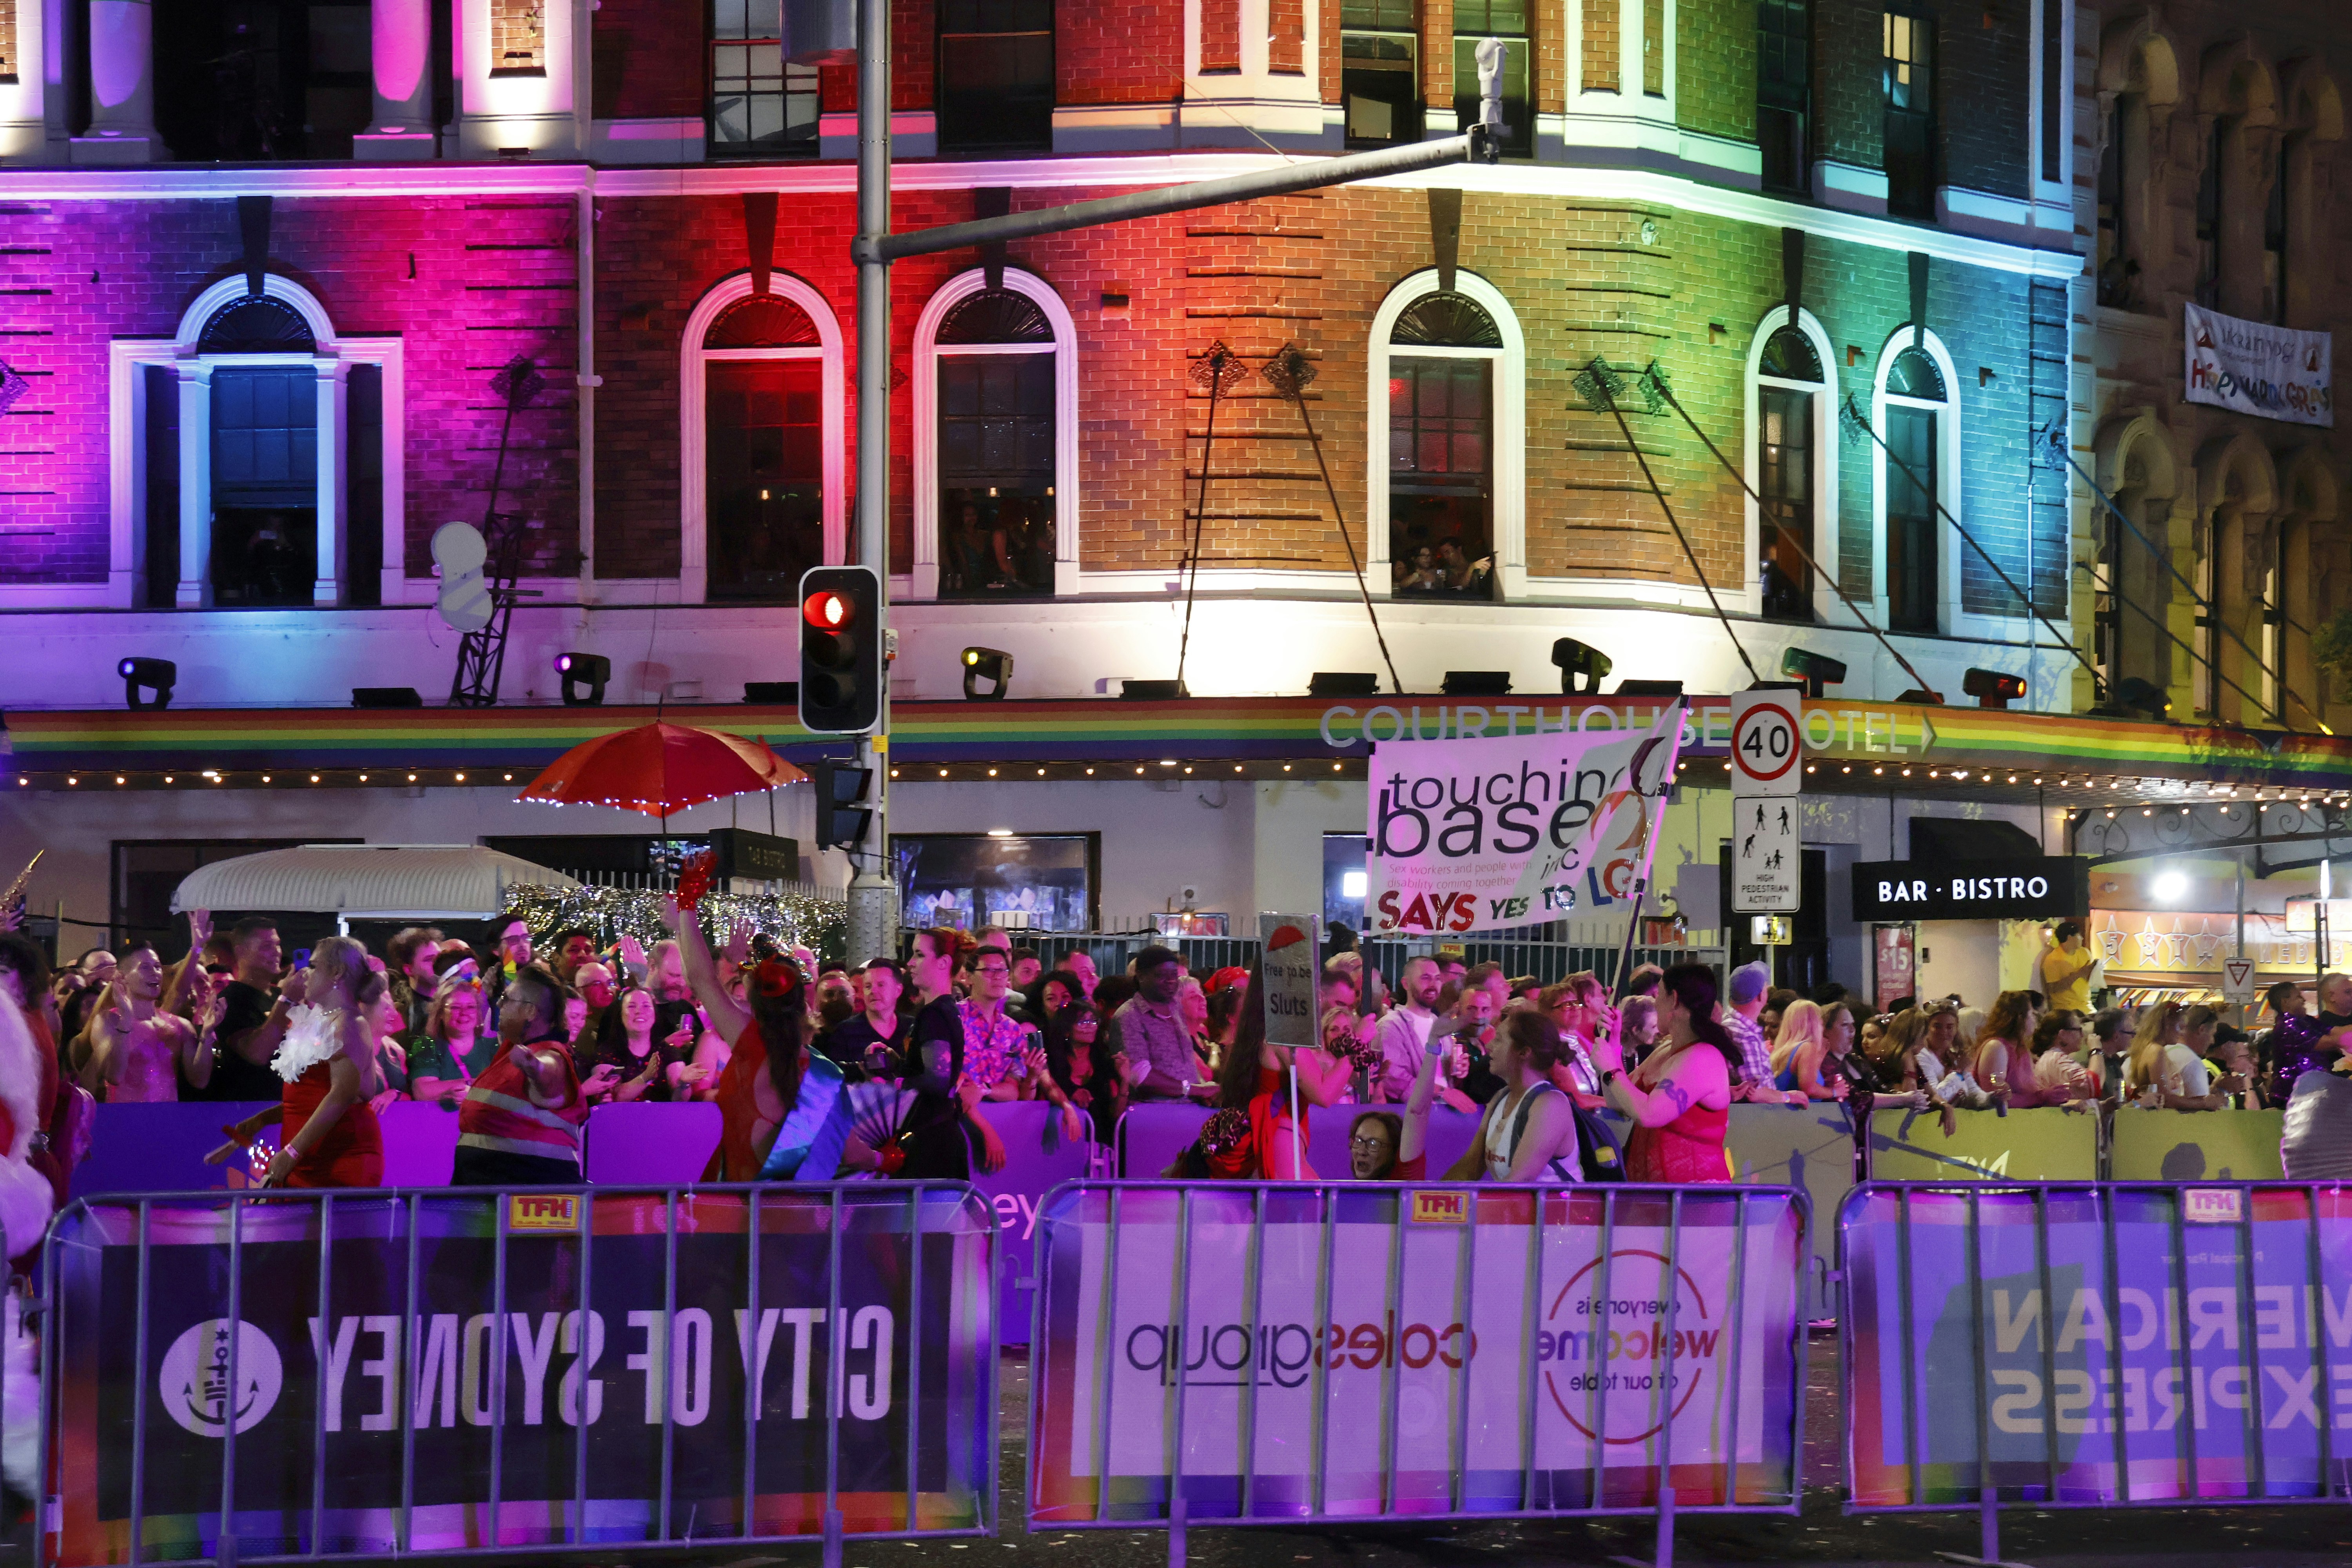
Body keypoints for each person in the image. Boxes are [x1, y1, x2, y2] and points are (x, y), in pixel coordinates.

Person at [452, 963, 614, 1185]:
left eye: (507, 999)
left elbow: (551, 1075)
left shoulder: (552, 1053)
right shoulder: (510, 1050)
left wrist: (535, 1066)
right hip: (488, 1194)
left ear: (530, 1011)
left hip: (531, 1205)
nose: (500, 1004)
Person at [1200, 961, 1356, 1179]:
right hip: (1279, 1136)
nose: (1317, 997)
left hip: (1279, 1134)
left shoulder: (1261, 1031)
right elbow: (1323, 1094)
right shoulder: (1283, 1037)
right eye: (1309, 987)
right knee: (1306, 1207)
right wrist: (1358, 1045)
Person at [1590, 963, 1736, 1183]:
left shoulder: (1703, 1057)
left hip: (1696, 1201)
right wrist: (1613, 1044)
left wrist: (1611, 1069)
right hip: (1651, 1200)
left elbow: (1649, 1115)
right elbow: (1616, 1100)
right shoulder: (1664, 1052)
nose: (1654, 1003)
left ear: (1674, 999)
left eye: (1659, 995)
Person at [262, 938, 387, 1189]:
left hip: (338, 1159)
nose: (305, 973)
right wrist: (255, 1123)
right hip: (310, 1155)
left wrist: (291, 1153)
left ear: (337, 972)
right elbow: (312, 1096)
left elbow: (341, 1097)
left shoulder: (349, 1024)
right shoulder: (322, 1020)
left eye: (314, 966)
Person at [1442, 1010, 1583, 1182]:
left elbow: (1520, 1182)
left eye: (1500, 1039)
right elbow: (1470, 1167)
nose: (1490, 1045)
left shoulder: (1550, 1105)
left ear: (1524, 1052)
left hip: (1556, 1209)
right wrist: (1429, 1198)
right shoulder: (1500, 1098)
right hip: (1518, 1208)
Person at [79, 944, 213, 1102]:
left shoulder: (181, 1026)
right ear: (123, 977)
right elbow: (114, 1076)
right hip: (125, 1121)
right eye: (145, 968)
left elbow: (200, 1081)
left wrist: (207, 1033)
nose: (155, 973)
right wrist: (126, 1021)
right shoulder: (108, 1021)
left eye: (157, 967)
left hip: (167, 1121)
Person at [208, 917, 309, 1103]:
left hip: (290, 1106)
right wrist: (287, 1000)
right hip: (253, 1111)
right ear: (242, 952)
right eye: (266, 947)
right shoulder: (231, 999)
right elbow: (257, 1054)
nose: (276, 953)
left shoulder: (280, 995)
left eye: (278, 945)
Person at [1114, 946, 1213, 1102]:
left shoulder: (1176, 1007)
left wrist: (1202, 1089)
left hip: (1188, 1108)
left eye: (1174, 975)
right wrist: (1193, 1089)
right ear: (1141, 976)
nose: (1171, 981)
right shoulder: (1129, 1016)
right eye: (1162, 975)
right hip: (1154, 1115)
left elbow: (1187, 1064)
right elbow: (1140, 1075)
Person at [590, 981, 708, 1102]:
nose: (639, 1011)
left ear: (655, 1015)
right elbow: (614, 1097)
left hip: (661, 1119)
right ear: (621, 1015)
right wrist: (645, 1078)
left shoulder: (667, 1051)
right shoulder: (607, 1052)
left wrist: (684, 1084)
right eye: (631, 1006)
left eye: (646, 1006)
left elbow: (680, 1101)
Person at [1349, 1030, 1445, 1181]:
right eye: (1359, 1141)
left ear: (1395, 1152)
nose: (1362, 1151)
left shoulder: (1406, 1178)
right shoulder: (1344, 1194)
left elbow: (1417, 1113)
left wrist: (1433, 1044)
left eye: (1373, 1144)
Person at [2123, 1000, 2239, 1111]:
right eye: (2180, 1026)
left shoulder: (2147, 1049)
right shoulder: (2156, 1051)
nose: (2182, 1032)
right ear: (2167, 1025)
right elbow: (2165, 1099)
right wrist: (2205, 1103)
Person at [406, 970, 496, 1105]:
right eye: (455, 1007)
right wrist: (475, 1086)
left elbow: (508, 1091)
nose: (464, 1013)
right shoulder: (426, 1046)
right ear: (440, 1013)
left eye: (471, 1007)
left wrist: (471, 1091)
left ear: (478, 1013)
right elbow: (422, 1091)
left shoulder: (495, 1047)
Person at [1045, 1001, 1128, 1143]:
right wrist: (1071, 1096)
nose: (1090, 1027)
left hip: (1101, 1142)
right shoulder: (1054, 1063)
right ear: (1067, 1030)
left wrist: (1126, 1081)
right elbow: (1048, 1090)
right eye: (1083, 1022)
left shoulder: (1105, 1062)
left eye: (1094, 1021)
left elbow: (1116, 1114)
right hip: (1063, 1140)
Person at [1375, 956, 1445, 1105]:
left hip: (1444, 1116)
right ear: (1406, 984)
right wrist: (1443, 1092)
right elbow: (1394, 1078)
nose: (1434, 985)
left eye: (1438, 978)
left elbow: (1442, 1078)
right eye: (1426, 978)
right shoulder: (1391, 1025)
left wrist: (1457, 1072)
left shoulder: (1440, 1025)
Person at [824, 958, 910, 1078]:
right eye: (868, 986)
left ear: (898, 990)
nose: (873, 991)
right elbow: (834, 1076)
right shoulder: (845, 1031)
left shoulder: (912, 1027)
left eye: (881, 985)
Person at [1721, 961, 1778, 1098]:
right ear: (1760, 995)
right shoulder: (1744, 1035)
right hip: (1758, 1118)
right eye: (1766, 988)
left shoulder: (1733, 1023)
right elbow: (1757, 1092)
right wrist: (1789, 1097)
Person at [1767, 999, 1832, 1100]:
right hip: (1802, 1114)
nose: (1822, 1028)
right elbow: (1809, 1089)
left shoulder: (1779, 1052)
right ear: (1812, 1024)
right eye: (1820, 1022)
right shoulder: (1807, 1048)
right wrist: (1835, 1092)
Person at [385, 926, 443, 1033]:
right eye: (429, 960)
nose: (439, 964)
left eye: (440, 957)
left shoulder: (453, 1000)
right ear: (409, 970)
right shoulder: (398, 1011)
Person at [2040, 921, 2097, 1014]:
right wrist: (2080, 974)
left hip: (2087, 1007)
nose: (2082, 938)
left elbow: (2091, 980)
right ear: (2070, 938)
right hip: (2065, 1010)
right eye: (2079, 935)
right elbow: (2054, 989)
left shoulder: (2085, 953)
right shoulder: (2053, 959)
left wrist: (2096, 969)